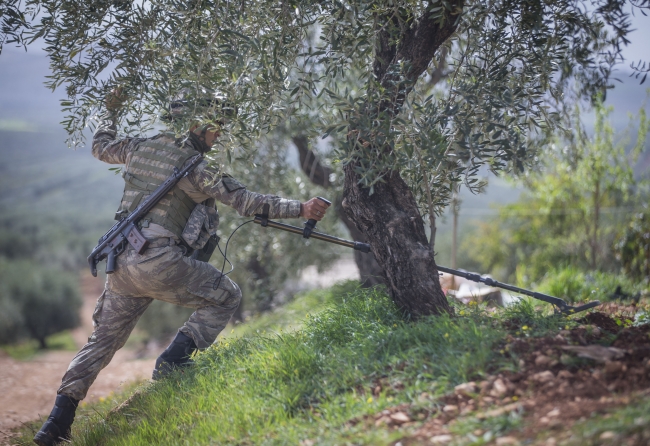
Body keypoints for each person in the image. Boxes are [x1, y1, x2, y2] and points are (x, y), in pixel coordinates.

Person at [33, 91, 330, 446]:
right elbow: (249, 202)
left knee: (102, 342)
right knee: (226, 296)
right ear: (196, 125)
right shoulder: (198, 168)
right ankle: (173, 361)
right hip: (159, 262)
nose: (218, 135)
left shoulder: (139, 147)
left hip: (121, 265)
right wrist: (302, 208)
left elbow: (101, 145)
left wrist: (109, 110)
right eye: (215, 128)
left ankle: (56, 424)